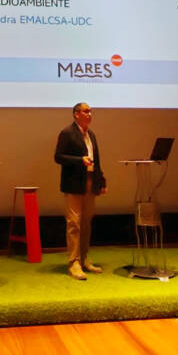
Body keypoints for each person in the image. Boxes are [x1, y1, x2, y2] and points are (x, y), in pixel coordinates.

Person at [54, 102, 107, 280]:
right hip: (74, 183)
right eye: (86, 111)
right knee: (74, 223)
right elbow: (58, 157)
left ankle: (84, 259)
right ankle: (73, 263)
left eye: (91, 111)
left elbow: (97, 161)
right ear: (76, 114)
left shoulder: (91, 135)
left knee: (86, 222)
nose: (89, 114)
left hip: (90, 181)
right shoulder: (67, 133)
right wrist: (79, 160)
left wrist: (101, 181)